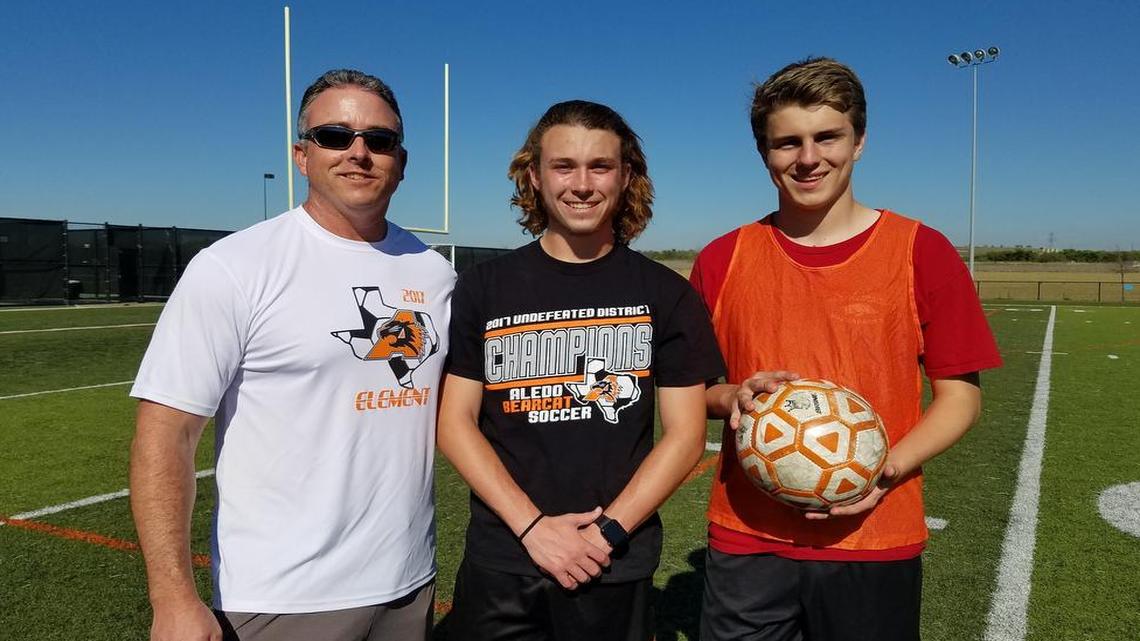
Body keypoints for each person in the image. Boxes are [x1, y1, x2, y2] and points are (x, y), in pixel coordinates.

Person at [129, 69, 455, 641]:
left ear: (400, 161)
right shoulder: (236, 266)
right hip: (282, 595)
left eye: (379, 140)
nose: (359, 152)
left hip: (409, 585)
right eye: (335, 135)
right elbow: (167, 435)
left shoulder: (434, 273)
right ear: (302, 155)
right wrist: (173, 597)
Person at [693, 57, 1003, 641]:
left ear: (859, 141)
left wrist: (881, 477)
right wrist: (731, 394)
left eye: (826, 136)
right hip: (747, 540)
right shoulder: (721, 259)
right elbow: (695, 392)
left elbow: (961, 398)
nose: (808, 158)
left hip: (875, 536)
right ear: (765, 153)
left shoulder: (922, 251)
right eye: (787, 143)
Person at [437, 100, 725, 641]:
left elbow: (686, 436)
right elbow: (455, 422)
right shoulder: (484, 287)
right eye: (564, 166)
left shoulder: (665, 293)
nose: (582, 184)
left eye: (601, 166)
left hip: (614, 559)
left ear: (626, 176)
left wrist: (607, 532)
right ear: (534, 175)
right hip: (505, 555)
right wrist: (532, 527)